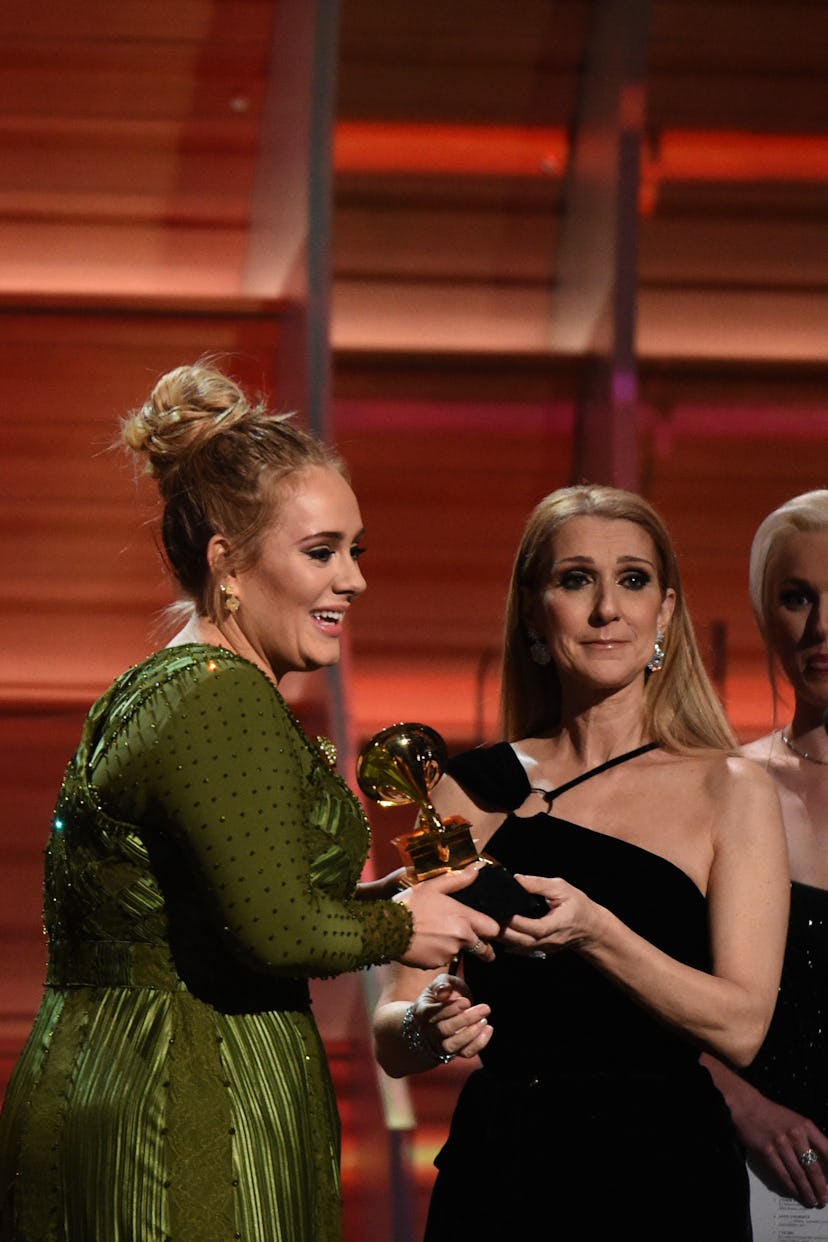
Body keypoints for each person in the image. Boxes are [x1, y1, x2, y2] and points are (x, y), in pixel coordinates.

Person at [0, 360, 500, 1242]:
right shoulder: (219, 696)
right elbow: (271, 931)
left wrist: (383, 901)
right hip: (188, 1098)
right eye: (321, 553)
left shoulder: (172, 686)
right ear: (226, 561)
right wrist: (402, 928)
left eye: (356, 551)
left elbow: (222, 903)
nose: (353, 580)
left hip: (131, 1072)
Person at [372, 482, 790, 1242]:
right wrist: (430, 1028)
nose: (607, 610)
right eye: (575, 580)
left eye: (633, 580)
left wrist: (599, 933)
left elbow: (742, 1026)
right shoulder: (469, 790)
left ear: (664, 612)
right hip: (502, 1172)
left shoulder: (730, 789)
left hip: (664, 1177)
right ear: (534, 612)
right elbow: (392, 1032)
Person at [700, 490, 828, 1227]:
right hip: (756, 1187)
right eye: (796, 598)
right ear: (763, 614)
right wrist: (743, 1105)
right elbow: (651, 1004)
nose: (822, 627)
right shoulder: (722, 787)